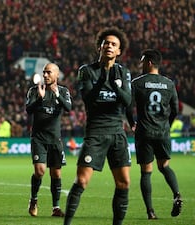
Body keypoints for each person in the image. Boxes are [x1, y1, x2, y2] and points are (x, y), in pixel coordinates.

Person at [64, 27, 132, 225]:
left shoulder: (123, 72)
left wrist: (115, 85)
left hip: (117, 133)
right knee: (82, 181)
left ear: (119, 51)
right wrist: (103, 79)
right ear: (99, 47)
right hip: (96, 133)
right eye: (106, 43)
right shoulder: (86, 71)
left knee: (124, 182)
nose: (109, 46)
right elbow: (87, 98)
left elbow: (127, 101)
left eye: (114, 44)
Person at [126, 49, 182, 219]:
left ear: (149, 62)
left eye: (142, 61)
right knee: (164, 166)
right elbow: (175, 109)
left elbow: (128, 106)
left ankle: (150, 212)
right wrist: (167, 125)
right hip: (163, 132)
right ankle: (177, 194)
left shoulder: (137, 82)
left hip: (144, 131)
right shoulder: (169, 83)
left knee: (146, 171)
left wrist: (132, 123)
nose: (140, 64)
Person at [26, 63, 72, 217]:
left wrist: (57, 94)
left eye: (48, 72)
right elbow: (28, 110)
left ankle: (56, 208)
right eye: (44, 72)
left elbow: (69, 108)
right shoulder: (34, 90)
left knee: (56, 174)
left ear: (56, 75)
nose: (45, 75)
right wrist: (39, 99)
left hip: (55, 139)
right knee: (39, 171)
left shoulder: (64, 91)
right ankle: (33, 200)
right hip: (38, 138)